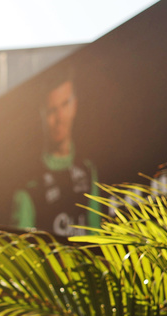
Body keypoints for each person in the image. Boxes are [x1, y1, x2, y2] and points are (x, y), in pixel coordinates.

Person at [10, 76, 101, 237]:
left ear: (74, 106)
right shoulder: (29, 184)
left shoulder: (87, 167)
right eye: (52, 110)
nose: (59, 117)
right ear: (42, 114)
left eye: (64, 105)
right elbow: (23, 246)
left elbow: (97, 236)